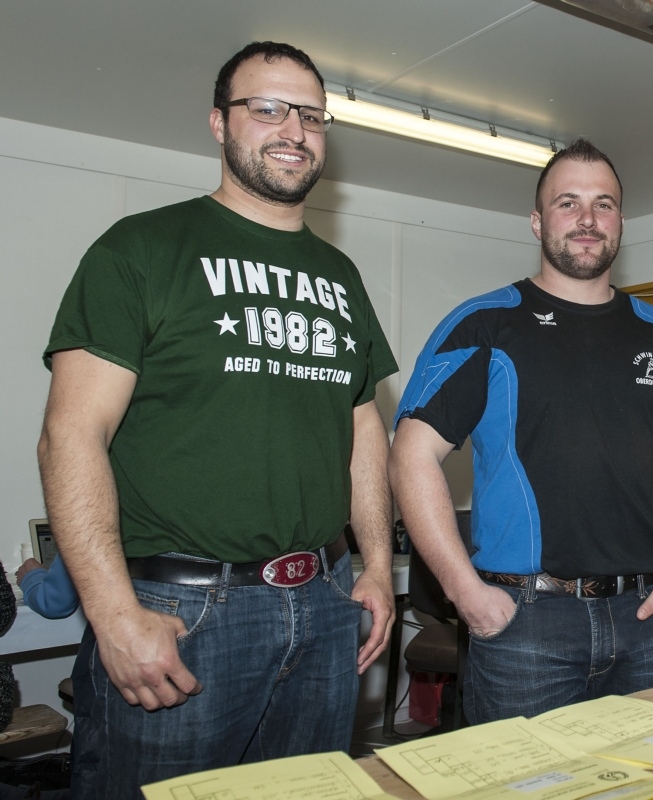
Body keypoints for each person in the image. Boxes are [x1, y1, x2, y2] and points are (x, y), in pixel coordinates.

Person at [37, 41, 398, 796]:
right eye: (267, 108)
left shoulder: (341, 275)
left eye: (311, 115)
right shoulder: (141, 249)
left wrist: (373, 566)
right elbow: (71, 434)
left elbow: (363, 428)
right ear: (218, 123)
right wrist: (113, 614)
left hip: (324, 601)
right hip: (185, 613)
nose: (293, 129)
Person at [390, 139, 653, 724]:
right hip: (525, 626)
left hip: (647, 620)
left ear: (620, 222)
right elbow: (410, 456)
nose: (587, 219)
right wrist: (464, 592)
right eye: (568, 203)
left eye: (604, 204)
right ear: (537, 221)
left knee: (646, 774)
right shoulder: (484, 324)